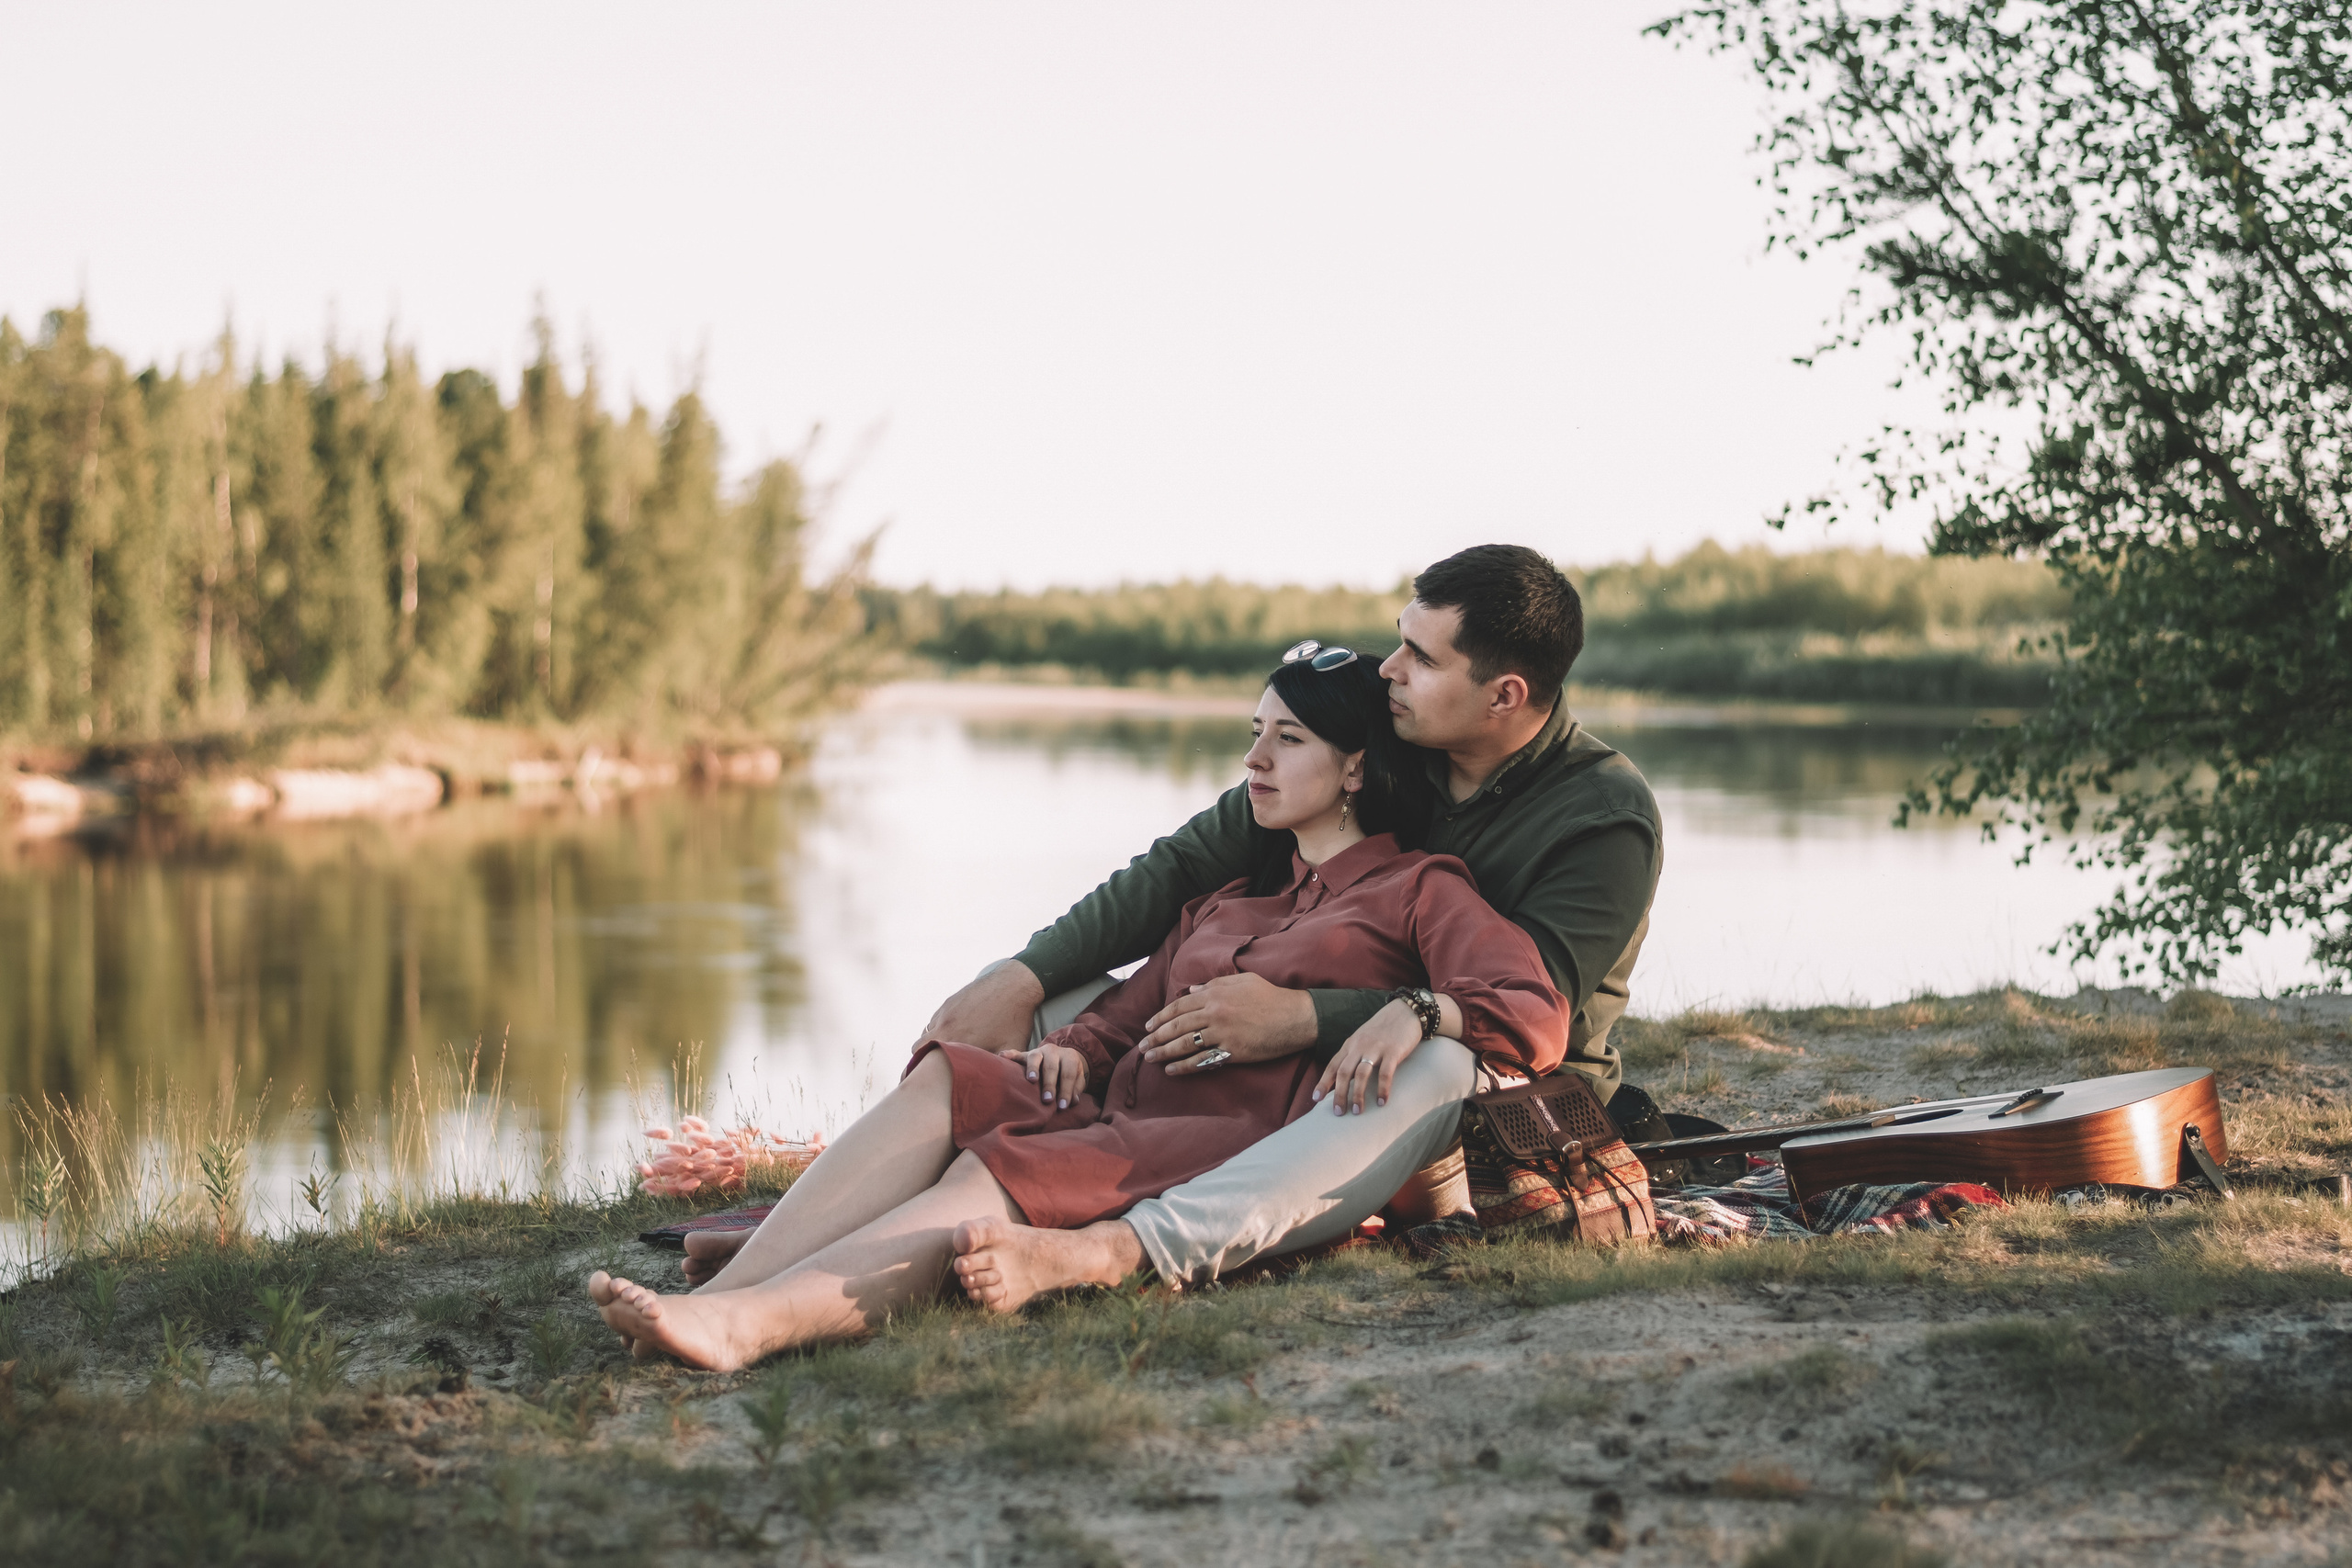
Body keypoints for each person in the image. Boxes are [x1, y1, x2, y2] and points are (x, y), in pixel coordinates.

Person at [682, 544, 1663, 1305]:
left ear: (1504, 695)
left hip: (1483, 1091)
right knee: (1068, 1010)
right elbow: (1177, 870)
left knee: (1430, 1058)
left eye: (1420, 654)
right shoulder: (1390, 754)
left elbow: (1534, 1015)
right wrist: (1025, 977)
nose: (1391, 667)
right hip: (1319, 1060)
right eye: (1398, 638)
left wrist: (1301, 1017)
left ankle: (1106, 1241)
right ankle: (842, 1231)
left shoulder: (1598, 815)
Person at [589, 651, 1568, 1371]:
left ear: (1355, 768)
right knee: (957, 1075)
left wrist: (1412, 1008)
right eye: (1255, 734)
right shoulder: (1237, 897)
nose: (1256, 761)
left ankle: (742, 1327)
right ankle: (729, 1285)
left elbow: (1529, 1006)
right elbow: (1131, 1003)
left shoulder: (1418, 888)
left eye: (1289, 739)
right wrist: (1083, 1049)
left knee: (998, 1168)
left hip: (1209, 1139)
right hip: (1118, 1103)